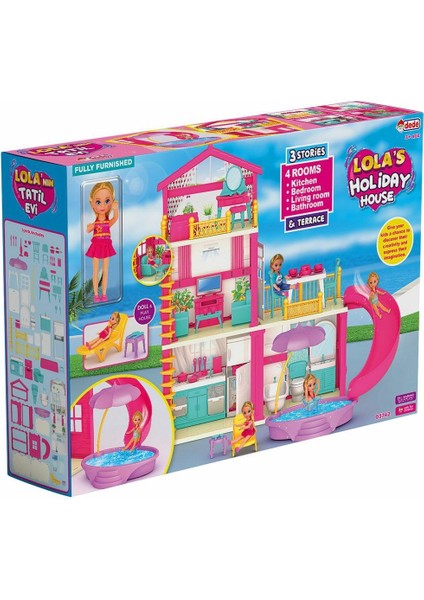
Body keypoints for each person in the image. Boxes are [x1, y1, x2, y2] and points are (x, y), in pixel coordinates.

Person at [86, 181, 119, 302]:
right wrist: (92, 225)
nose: (103, 206)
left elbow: (115, 218)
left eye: (107, 201)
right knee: (95, 272)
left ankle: (104, 294)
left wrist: (115, 209)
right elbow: (88, 229)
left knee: (105, 272)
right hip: (96, 245)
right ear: (92, 204)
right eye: (98, 202)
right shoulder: (95, 223)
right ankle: (96, 294)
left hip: (106, 246)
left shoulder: (107, 222)